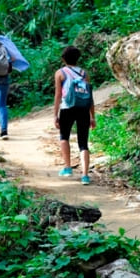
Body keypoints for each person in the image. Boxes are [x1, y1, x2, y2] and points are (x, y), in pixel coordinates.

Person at [53, 46, 96, 184]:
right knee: (83, 143)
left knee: (64, 136)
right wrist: (92, 116)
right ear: (77, 58)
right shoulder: (84, 73)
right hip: (83, 108)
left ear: (63, 59)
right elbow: (90, 96)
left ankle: (67, 167)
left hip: (67, 107)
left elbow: (58, 95)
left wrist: (55, 114)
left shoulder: (60, 73)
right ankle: (85, 176)